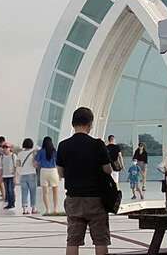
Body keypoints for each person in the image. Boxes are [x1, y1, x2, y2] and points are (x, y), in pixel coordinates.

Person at [56, 107, 112, 255]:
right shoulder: (97, 144)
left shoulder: (63, 145)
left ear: (73, 123)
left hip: (73, 198)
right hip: (95, 198)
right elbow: (108, 169)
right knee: (100, 240)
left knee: (73, 240)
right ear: (90, 124)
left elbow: (60, 173)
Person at [34, 136, 60, 214]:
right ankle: (55, 209)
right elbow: (58, 162)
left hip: (44, 171)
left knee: (45, 192)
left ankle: (47, 209)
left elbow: (35, 163)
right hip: (53, 171)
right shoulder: (54, 151)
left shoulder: (40, 151)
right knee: (55, 191)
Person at [17, 138, 38, 214]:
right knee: (33, 192)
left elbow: (18, 165)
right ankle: (33, 208)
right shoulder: (34, 153)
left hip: (22, 175)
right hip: (32, 174)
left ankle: (24, 209)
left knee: (24, 192)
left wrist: (18, 173)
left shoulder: (19, 154)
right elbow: (35, 164)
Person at [0, 141, 17, 209]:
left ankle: (12, 203)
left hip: (11, 176)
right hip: (5, 175)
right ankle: (10, 203)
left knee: (10, 190)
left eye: (6, 147)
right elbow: (0, 167)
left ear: (10, 148)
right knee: (7, 190)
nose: (5, 148)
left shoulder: (13, 156)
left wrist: (15, 176)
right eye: (3, 147)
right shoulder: (2, 157)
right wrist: (0, 176)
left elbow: (16, 166)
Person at [0, 136, 6, 200]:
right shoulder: (8, 147)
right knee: (7, 182)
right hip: (7, 166)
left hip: (0, 166)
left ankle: (4, 196)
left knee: (1, 181)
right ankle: (7, 195)